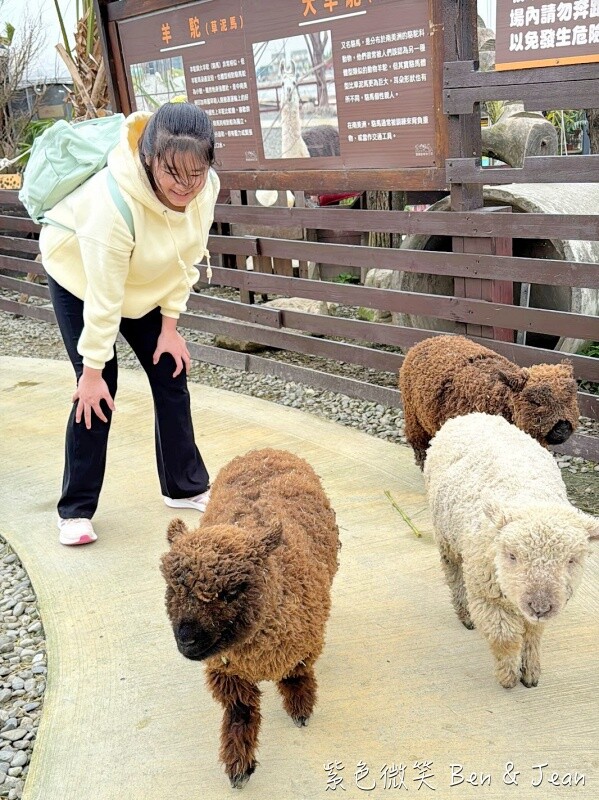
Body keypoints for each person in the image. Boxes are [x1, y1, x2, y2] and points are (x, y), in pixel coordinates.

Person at [39, 102, 220, 546]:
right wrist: (92, 373)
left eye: (195, 173)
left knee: (169, 368)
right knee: (98, 392)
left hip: (143, 278)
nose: (184, 186)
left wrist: (170, 329)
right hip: (80, 273)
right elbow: (103, 300)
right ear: (148, 159)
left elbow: (187, 259)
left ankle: (185, 485)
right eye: (172, 173)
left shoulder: (206, 188)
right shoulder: (112, 203)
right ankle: (76, 510)